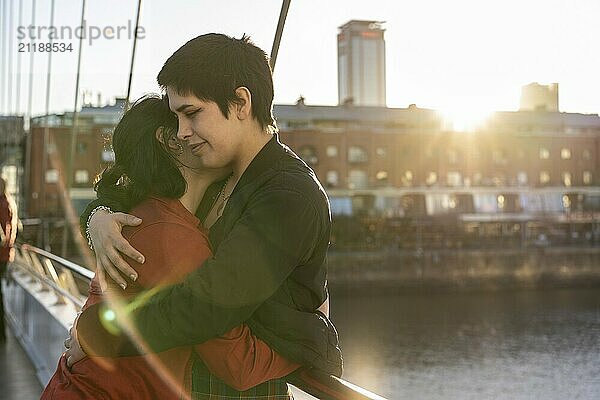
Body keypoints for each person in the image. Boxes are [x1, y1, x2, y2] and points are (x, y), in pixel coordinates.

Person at [72, 33, 343, 397]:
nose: (182, 133)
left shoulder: (288, 196)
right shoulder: (216, 174)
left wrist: (99, 334)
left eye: (192, 113)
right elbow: (129, 190)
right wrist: (98, 218)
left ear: (241, 102)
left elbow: (205, 305)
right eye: (176, 118)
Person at [42, 95, 300, 399]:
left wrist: (96, 216)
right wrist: (307, 347)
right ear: (169, 140)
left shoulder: (147, 214)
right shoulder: (171, 236)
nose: (199, 133)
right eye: (187, 123)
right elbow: (239, 365)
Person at [0, 177, 17, 342]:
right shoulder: (8, 201)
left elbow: (5, 234)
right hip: (5, 255)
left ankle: (2, 334)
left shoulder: (2, 204)